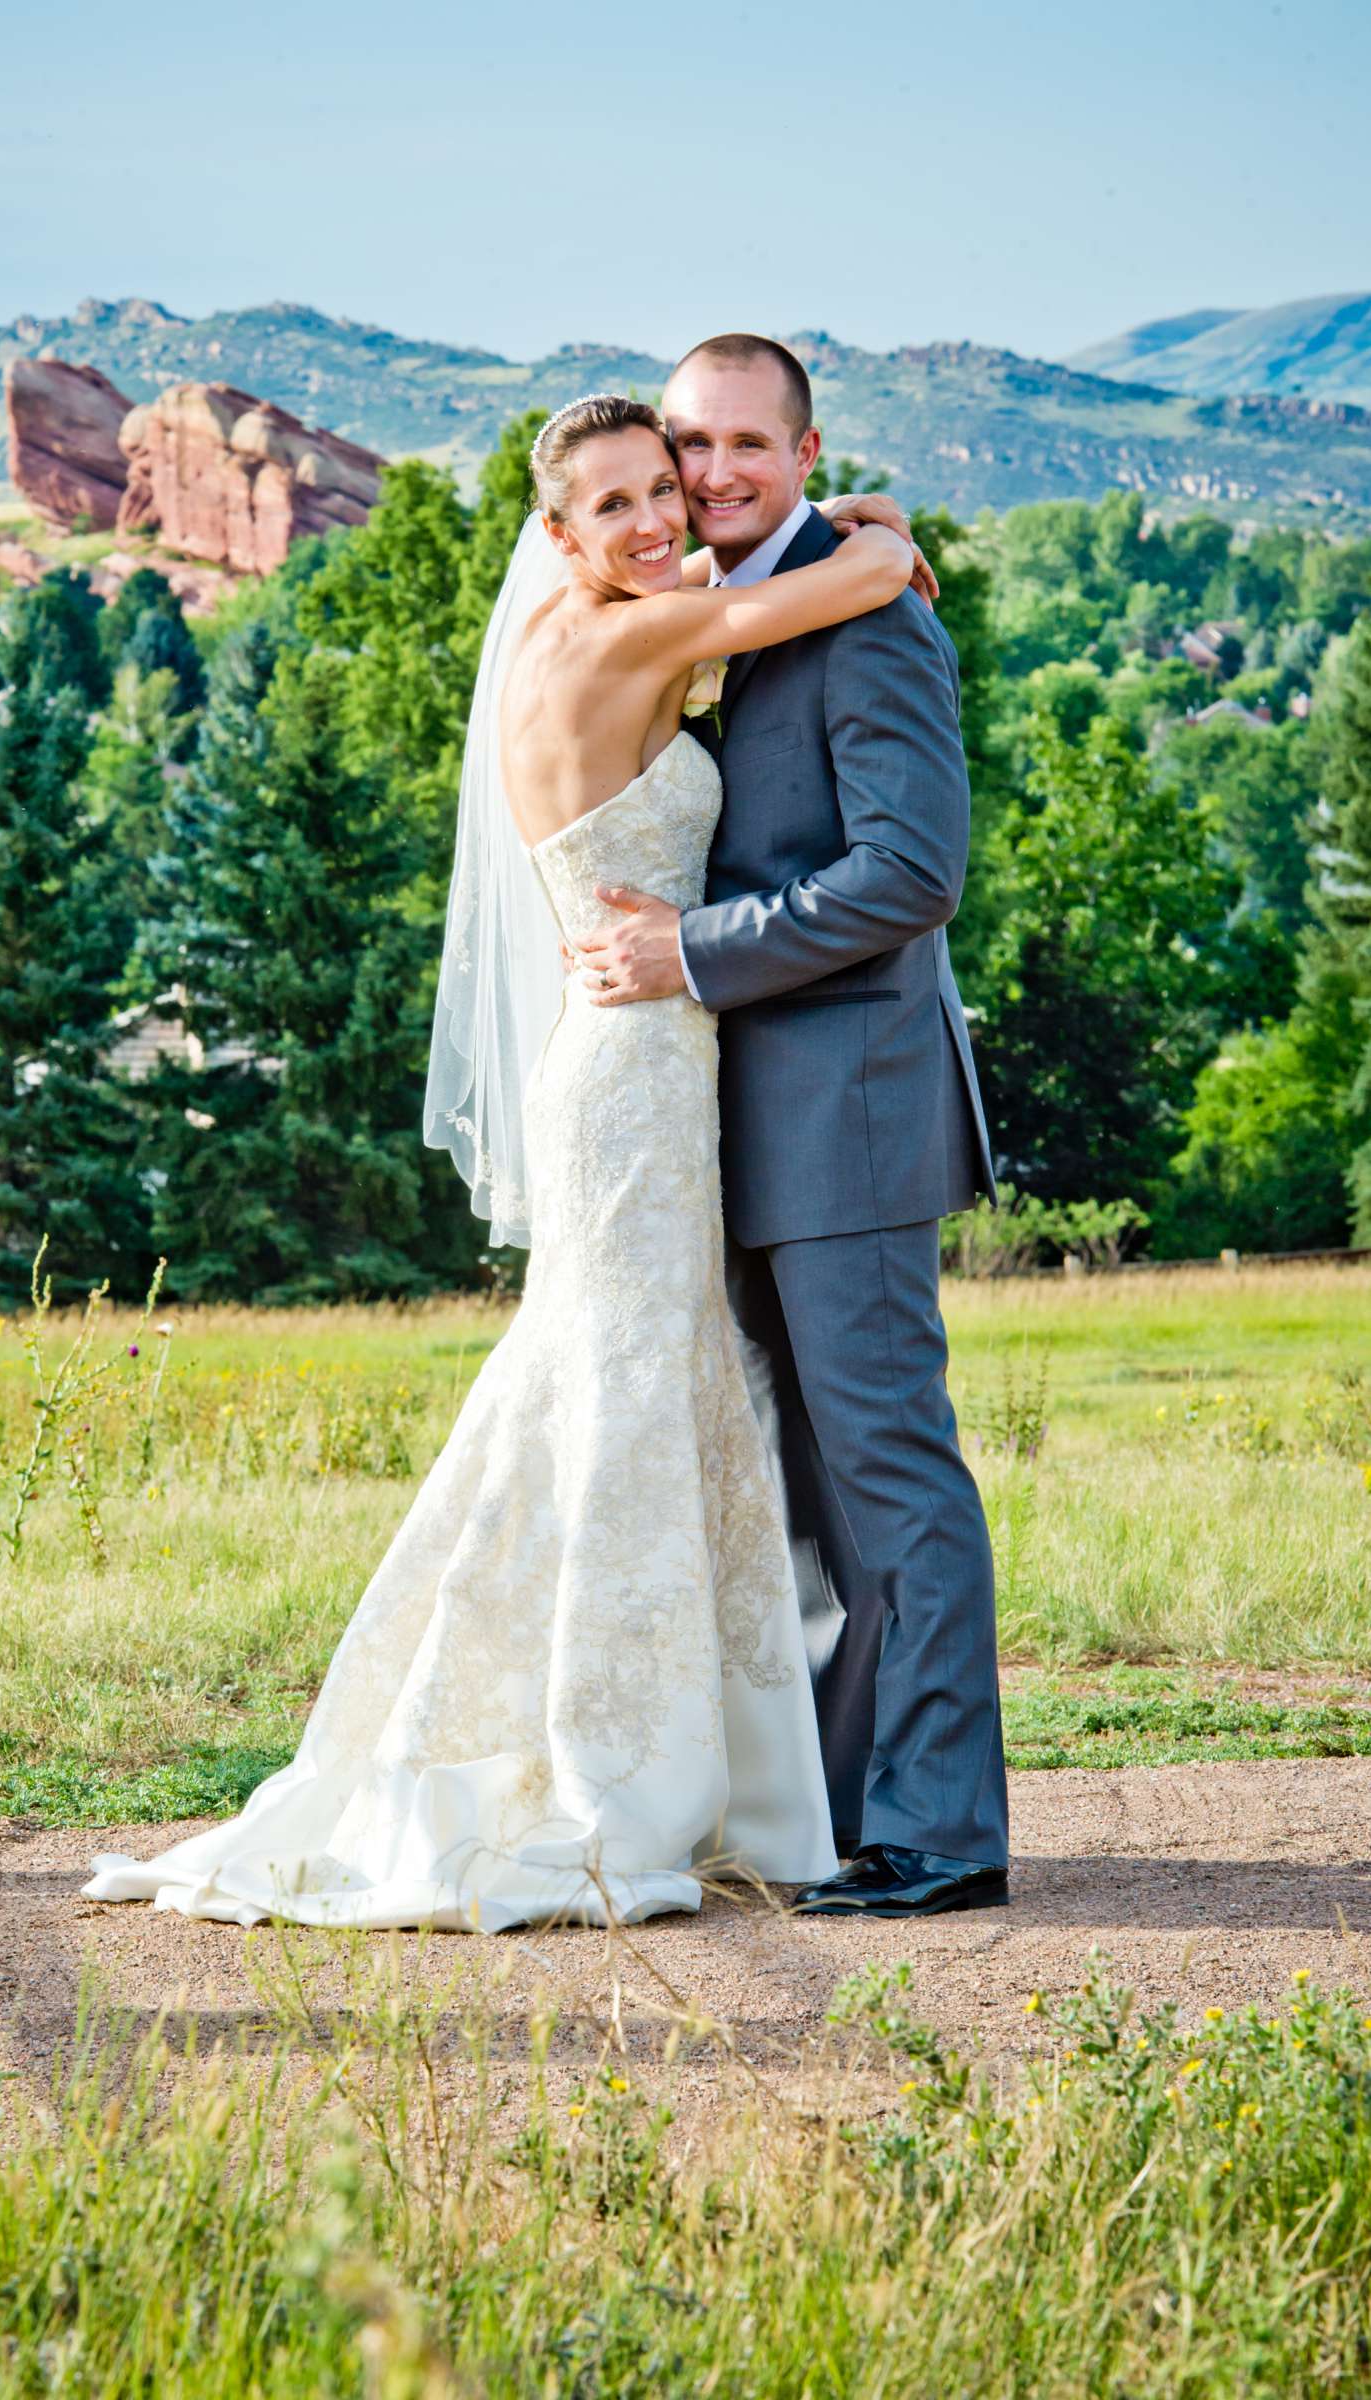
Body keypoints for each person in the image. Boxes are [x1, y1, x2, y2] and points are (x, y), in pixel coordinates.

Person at [80, 392, 913, 1932]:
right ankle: (614, 1769)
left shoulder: (579, 640)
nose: (657, 521)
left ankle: (646, 1745)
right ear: (554, 537)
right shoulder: (619, 643)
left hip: (634, 1063)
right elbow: (846, 589)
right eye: (613, 507)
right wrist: (881, 527)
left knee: (607, 1386)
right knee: (620, 1398)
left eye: (661, 490)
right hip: (640, 1073)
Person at [574, 336, 1009, 1920]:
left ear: (805, 450)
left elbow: (910, 872)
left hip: (853, 1115)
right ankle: (844, 1815)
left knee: (890, 1480)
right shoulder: (734, 597)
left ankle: (939, 1835)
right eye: (692, 442)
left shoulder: (870, 607)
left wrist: (686, 951)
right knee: (811, 1505)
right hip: (741, 1128)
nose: (714, 470)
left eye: (748, 442)